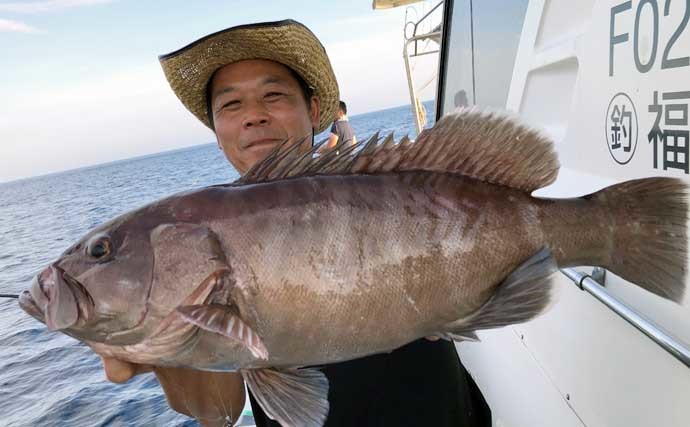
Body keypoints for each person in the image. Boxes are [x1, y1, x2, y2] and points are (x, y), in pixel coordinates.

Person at [100, 19, 491, 427]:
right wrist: (164, 350)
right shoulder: (198, 242)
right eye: (231, 105)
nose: (253, 115)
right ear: (216, 131)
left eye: (273, 95)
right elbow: (221, 411)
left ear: (315, 110)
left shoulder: (385, 191)